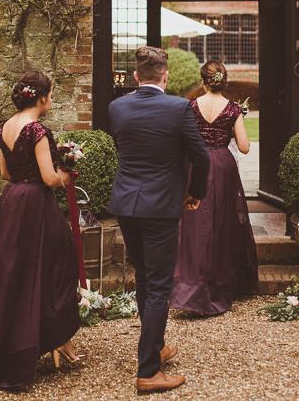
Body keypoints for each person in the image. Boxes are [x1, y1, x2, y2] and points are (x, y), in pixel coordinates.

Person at [0, 70, 81, 392]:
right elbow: (49, 179)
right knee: (54, 267)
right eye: (50, 95)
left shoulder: (5, 127)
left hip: (12, 203)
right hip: (36, 204)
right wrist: (68, 172)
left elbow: (6, 173)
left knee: (11, 274)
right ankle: (50, 336)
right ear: (42, 97)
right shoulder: (37, 130)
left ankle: (19, 341)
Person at [108, 46, 210, 395]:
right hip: (161, 206)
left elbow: (127, 149)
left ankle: (157, 346)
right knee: (159, 286)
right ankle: (148, 371)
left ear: (137, 77)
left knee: (143, 276)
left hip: (125, 204)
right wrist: (195, 192)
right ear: (165, 76)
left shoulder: (117, 107)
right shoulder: (179, 108)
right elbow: (202, 156)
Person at [170, 60, 258, 316]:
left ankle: (191, 285)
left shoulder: (191, 106)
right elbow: (244, 147)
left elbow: (181, 141)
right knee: (222, 223)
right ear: (223, 80)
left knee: (194, 225)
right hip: (222, 165)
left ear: (203, 80)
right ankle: (220, 284)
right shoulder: (232, 109)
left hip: (196, 167)